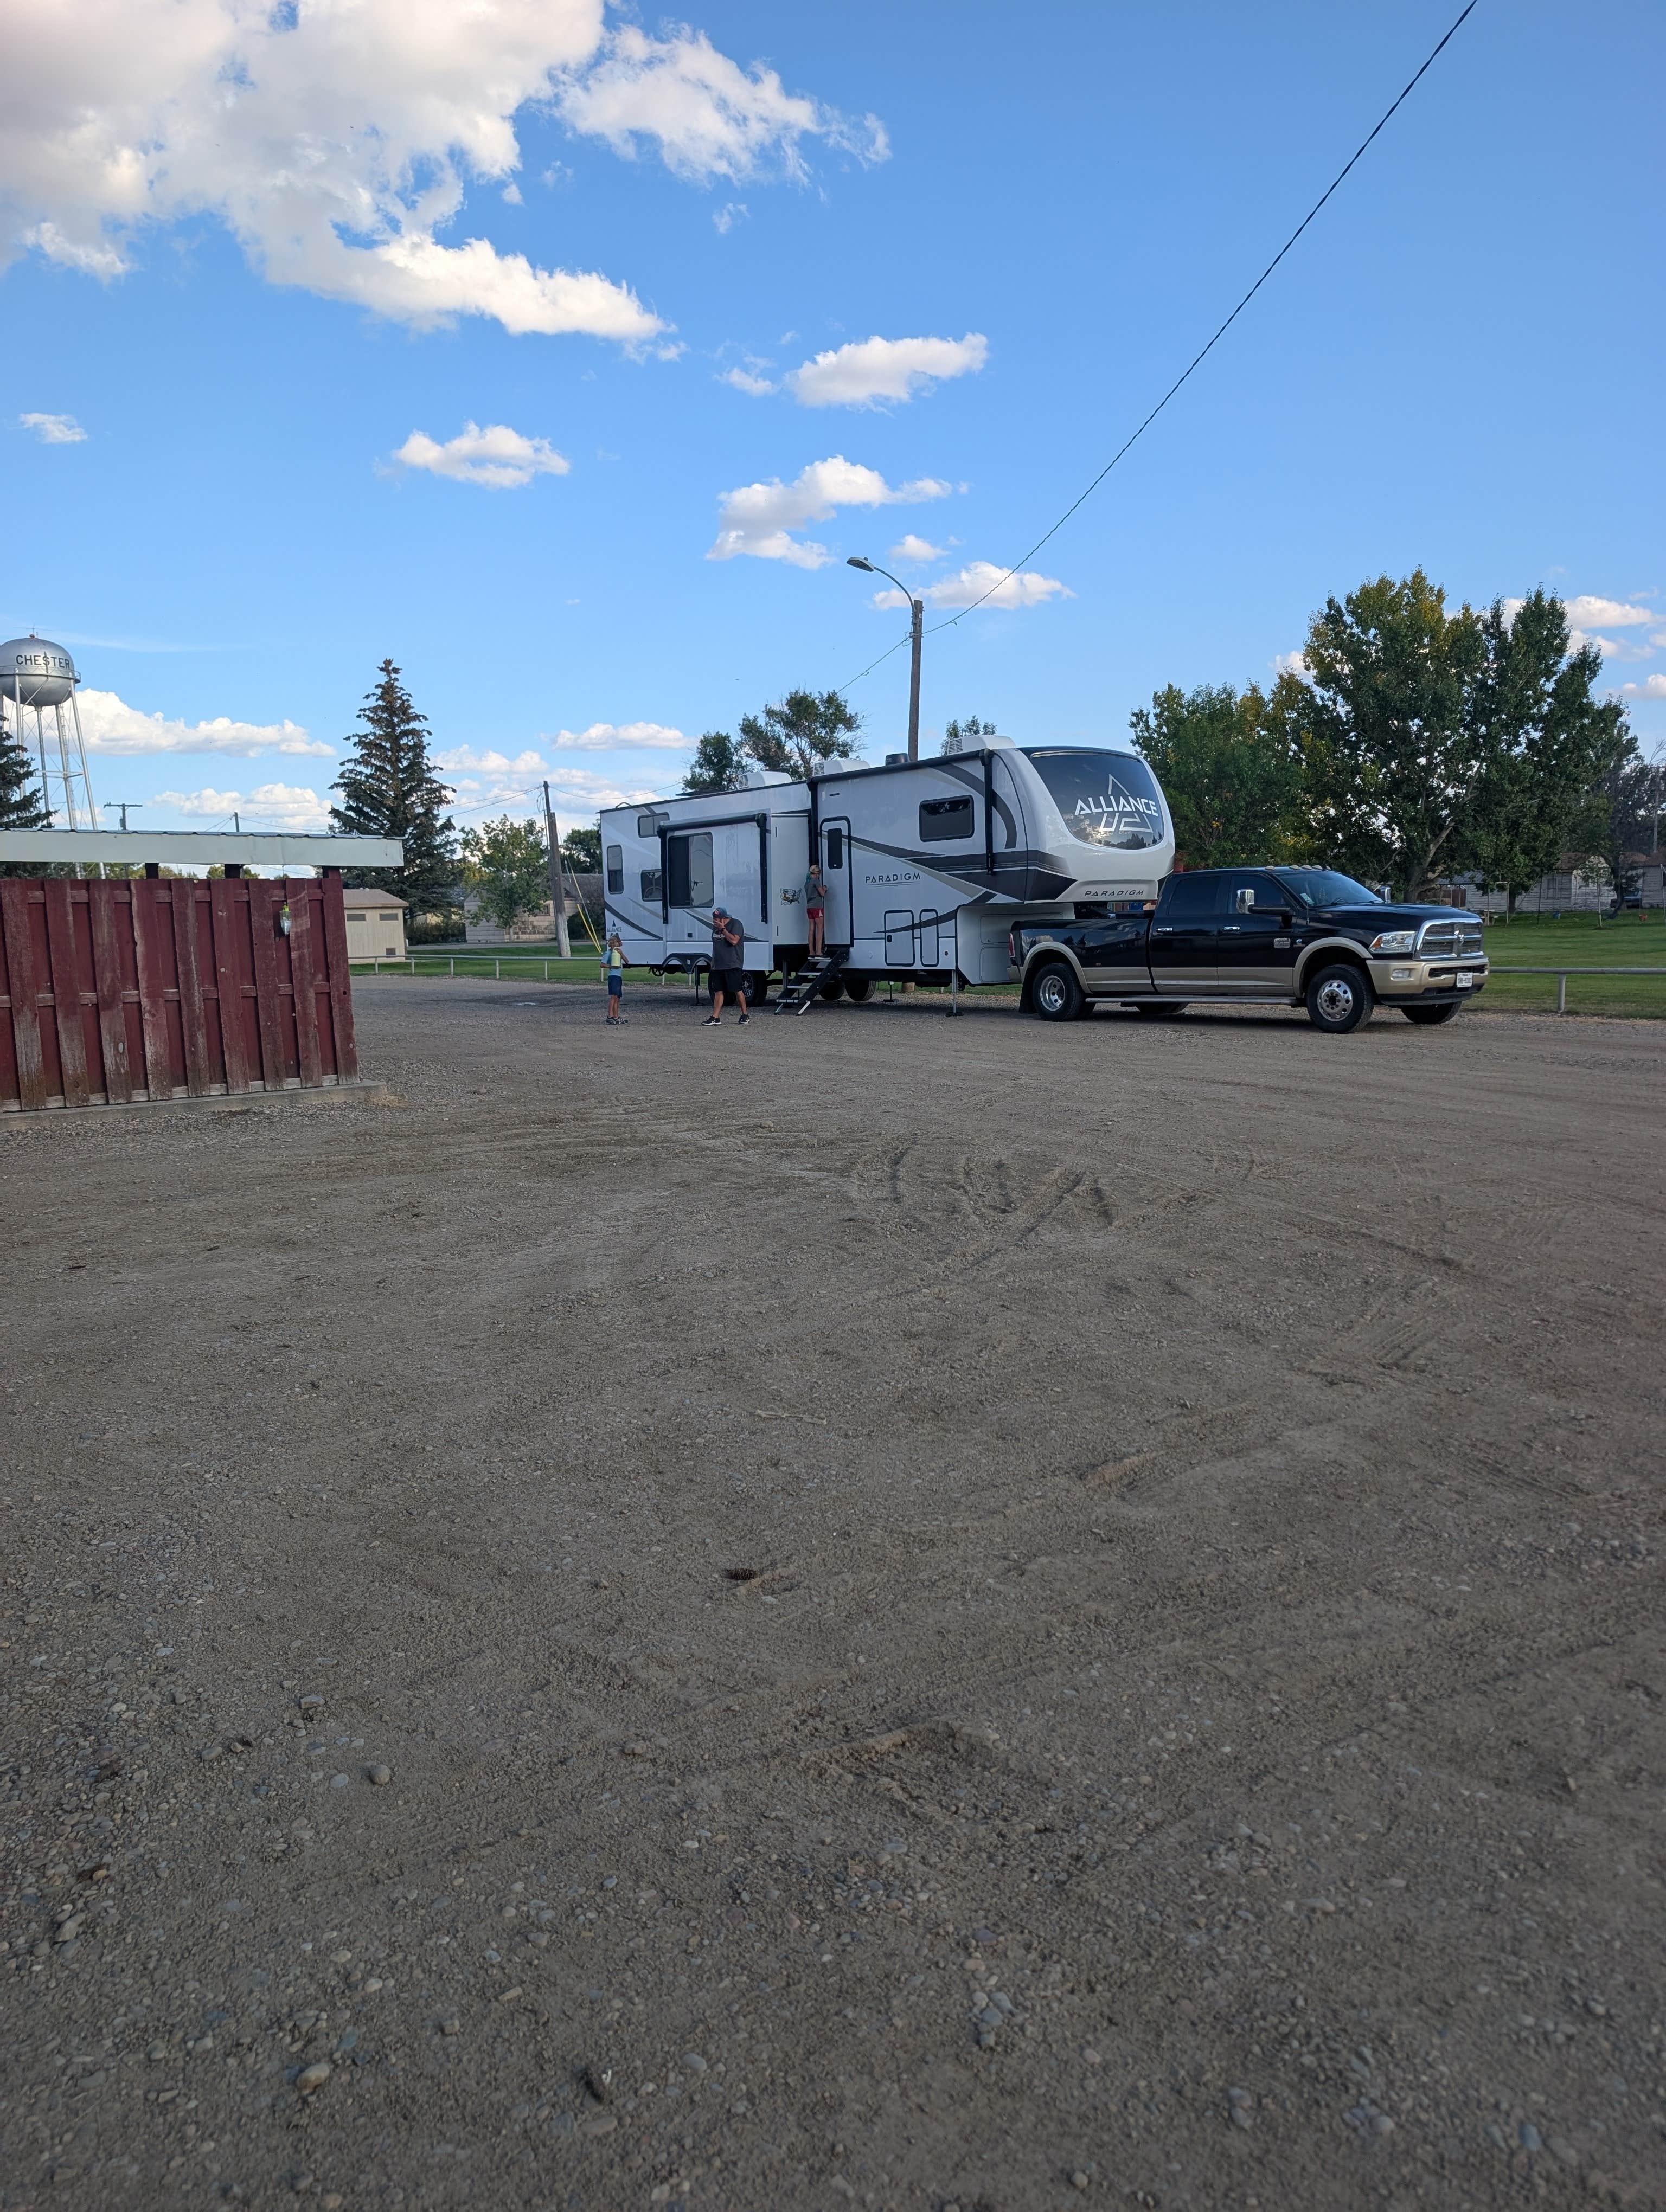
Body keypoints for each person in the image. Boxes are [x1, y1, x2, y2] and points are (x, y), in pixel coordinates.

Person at [703, 906, 749, 1026]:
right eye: (714, 919)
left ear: (724, 918)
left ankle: (745, 1015)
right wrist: (713, 964)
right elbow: (715, 945)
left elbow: (734, 941)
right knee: (718, 991)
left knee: (737, 990)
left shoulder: (736, 924)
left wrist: (723, 929)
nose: (715, 921)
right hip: (718, 965)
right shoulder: (715, 928)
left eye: (717, 919)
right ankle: (715, 1017)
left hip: (733, 964)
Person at [601, 930, 627, 1024]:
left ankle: (616, 1016)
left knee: (618, 997)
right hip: (613, 976)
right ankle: (610, 1016)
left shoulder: (618, 952)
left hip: (618, 976)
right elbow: (602, 965)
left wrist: (621, 954)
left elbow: (627, 961)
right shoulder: (608, 953)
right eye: (614, 942)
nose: (616, 944)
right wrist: (611, 966)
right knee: (613, 996)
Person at [804, 861, 828, 958]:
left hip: (809, 907)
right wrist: (825, 888)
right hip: (817, 907)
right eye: (819, 874)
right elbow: (822, 894)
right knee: (820, 929)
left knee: (811, 929)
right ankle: (819, 952)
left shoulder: (807, 883)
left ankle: (811, 953)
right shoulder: (816, 881)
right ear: (817, 873)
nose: (819, 876)